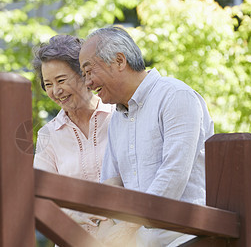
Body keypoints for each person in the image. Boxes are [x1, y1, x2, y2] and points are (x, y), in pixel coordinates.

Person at [79, 26, 214, 247]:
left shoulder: (175, 96)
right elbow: (111, 184)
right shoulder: (117, 119)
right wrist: (105, 234)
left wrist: (126, 228)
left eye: (89, 71)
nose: (87, 83)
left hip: (183, 237)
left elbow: (173, 175)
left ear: (120, 61)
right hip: (137, 239)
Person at [32, 34, 115, 239]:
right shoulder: (48, 135)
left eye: (61, 80)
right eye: (48, 84)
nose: (56, 91)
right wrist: (70, 213)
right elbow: (37, 194)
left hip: (126, 237)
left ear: (84, 74)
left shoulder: (119, 116)